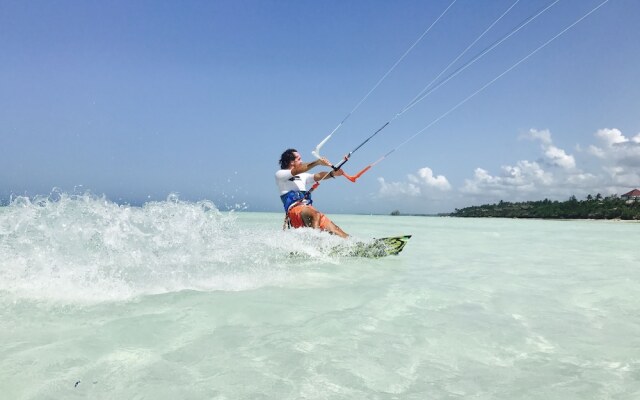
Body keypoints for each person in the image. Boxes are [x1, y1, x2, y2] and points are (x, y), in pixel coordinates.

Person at [276, 148, 348, 238]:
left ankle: (355, 245)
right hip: (295, 211)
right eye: (299, 159)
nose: (301, 161)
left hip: (308, 210)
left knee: (337, 231)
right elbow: (298, 170)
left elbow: (317, 176)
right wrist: (317, 162)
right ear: (291, 162)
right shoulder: (280, 174)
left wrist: (332, 173)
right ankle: (316, 244)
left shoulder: (302, 176)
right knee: (315, 214)